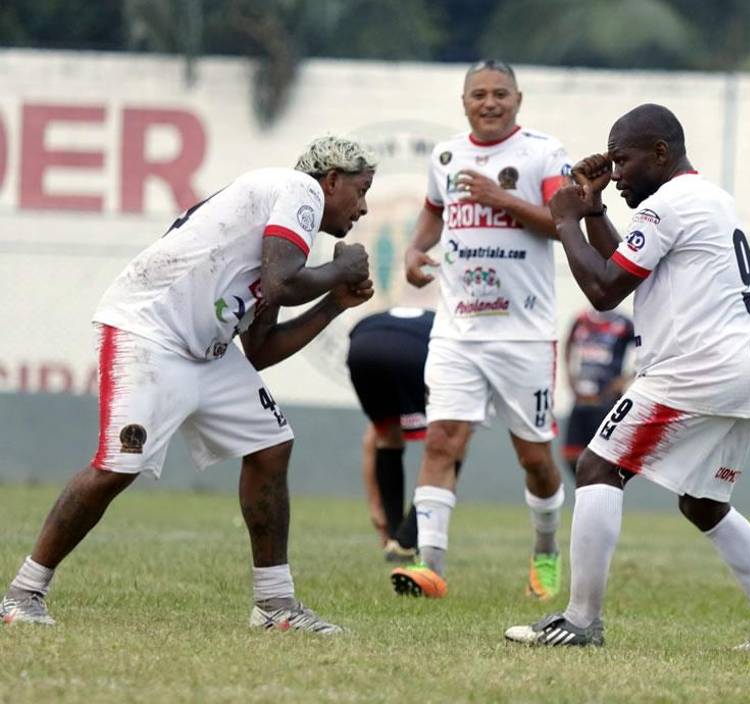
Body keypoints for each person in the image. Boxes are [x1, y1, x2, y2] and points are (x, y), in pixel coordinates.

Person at [0, 136, 377, 633]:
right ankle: (21, 594)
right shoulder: (298, 190)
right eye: (361, 190)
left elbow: (261, 351)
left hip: (204, 351)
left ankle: (274, 606)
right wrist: (341, 269)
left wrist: (335, 303)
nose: (364, 207)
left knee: (270, 445)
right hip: (148, 331)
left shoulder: (284, 235)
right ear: (331, 180)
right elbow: (285, 283)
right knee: (119, 465)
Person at [505, 103, 750, 650]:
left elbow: (603, 292)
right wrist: (595, 208)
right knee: (704, 503)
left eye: (623, 161)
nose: (617, 172)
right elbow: (625, 265)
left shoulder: (666, 205)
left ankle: (580, 621)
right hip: (747, 369)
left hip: (696, 370)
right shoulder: (708, 198)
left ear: (662, 153)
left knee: (599, 467)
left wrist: (564, 219)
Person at [396, 59, 570, 601]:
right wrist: (414, 248)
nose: (489, 103)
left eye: (500, 94)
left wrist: (503, 200)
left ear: (519, 99)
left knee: (535, 459)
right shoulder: (446, 155)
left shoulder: (543, 152)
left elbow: (564, 225)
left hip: (524, 334)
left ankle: (545, 552)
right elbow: (433, 213)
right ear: (464, 101)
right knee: (441, 440)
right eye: (479, 94)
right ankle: (430, 568)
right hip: (458, 330)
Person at [346, 307, 435, 561]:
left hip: (361, 346)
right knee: (449, 443)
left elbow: (370, 440)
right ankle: (408, 538)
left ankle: (395, 536)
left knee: (386, 434)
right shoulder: (447, 328)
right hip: (416, 351)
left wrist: (376, 508)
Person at [562, 308, 634, 474]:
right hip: (581, 399)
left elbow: (645, 349)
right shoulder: (580, 319)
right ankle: (586, 491)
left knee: (603, 457)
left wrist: (624, 379)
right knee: (572, 456)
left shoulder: (623, 323)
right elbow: (568, 343)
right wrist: (569, 376)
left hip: (606, 401)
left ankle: (601, 493)